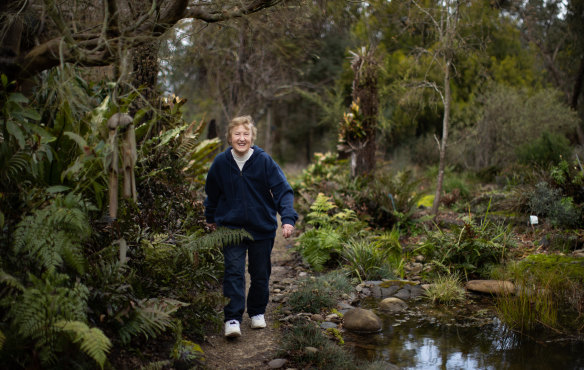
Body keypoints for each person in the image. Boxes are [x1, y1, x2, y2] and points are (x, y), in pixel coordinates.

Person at [204, 115, 298, 338]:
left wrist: (287, 218)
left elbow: (283, 190)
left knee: (260, 273)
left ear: (252, 137)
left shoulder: (264, 161)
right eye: (237, 134)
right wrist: (210, 218)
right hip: (231, 228)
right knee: (233, 272)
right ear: (229, 137)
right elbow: (212, 194)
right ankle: (232, 318)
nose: (242, 138)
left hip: (261, 227)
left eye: (246, 134)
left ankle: (257, 312)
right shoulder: (220, 163)